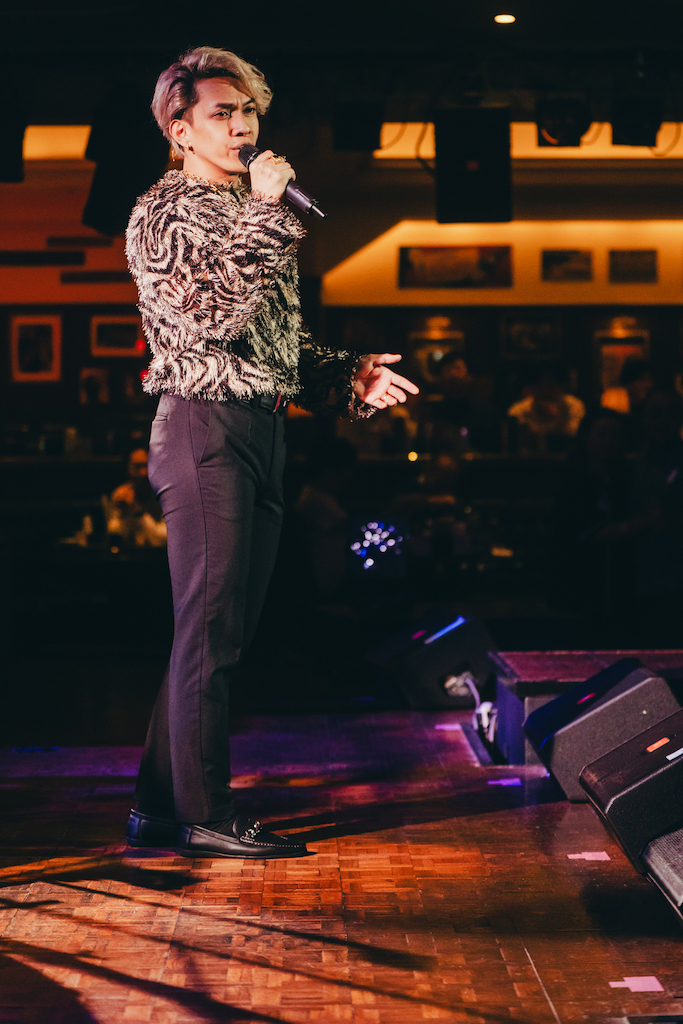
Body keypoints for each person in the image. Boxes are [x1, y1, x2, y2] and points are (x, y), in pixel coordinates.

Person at [123, 46, 419, 859]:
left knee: (219, 633)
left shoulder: (249, 211)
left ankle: (160, 807)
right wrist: (266, 212)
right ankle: (204, 812)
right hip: (202, 428)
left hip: (260, 429)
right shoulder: (164, 212)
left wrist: (344, 374)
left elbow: (270, 344)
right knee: (210, 632)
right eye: (221, 113)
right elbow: (211, 317)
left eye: (248, 110)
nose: (242, 126)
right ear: (180, 130)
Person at [102, 448, 167, 547]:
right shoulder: (121, 493)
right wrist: (123, 514)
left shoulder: (166, 495)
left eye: (146, 465)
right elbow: (115, 535)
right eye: (137, 467)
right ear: (128, 468)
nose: (143, 472)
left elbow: (164, 539)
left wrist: (138, 513)